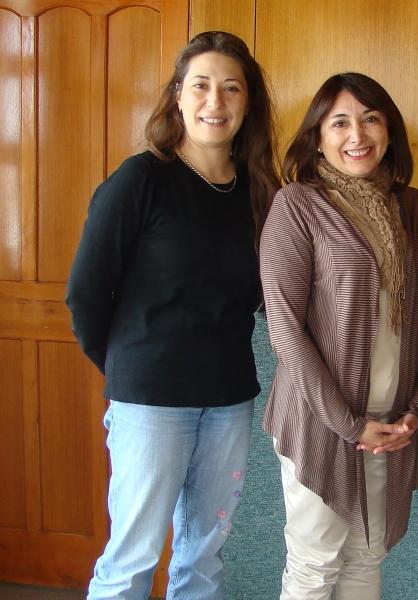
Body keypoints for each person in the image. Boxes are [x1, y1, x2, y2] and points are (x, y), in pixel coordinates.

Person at [65, 31, 280, 599]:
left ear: (248, 104)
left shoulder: (260, 191)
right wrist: (128, 370)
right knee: (133, 559)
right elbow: (86, 296)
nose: (216, 101)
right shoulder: (141, 179)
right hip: (151, 401)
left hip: (229, 399)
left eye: (232, 89)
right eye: (202, 85)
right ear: (178, 96)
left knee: (205, 556)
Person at [260, 72, 418, 600]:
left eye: (370, 119)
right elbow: (284, 327)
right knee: (315, 565)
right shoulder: (296, 206)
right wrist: (348, 424)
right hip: (322, 421)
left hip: (393, 424)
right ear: (317, 136)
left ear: (390, 130)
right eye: (339, 122)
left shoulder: (415, 210)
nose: (357, 135)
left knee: (367, 556)